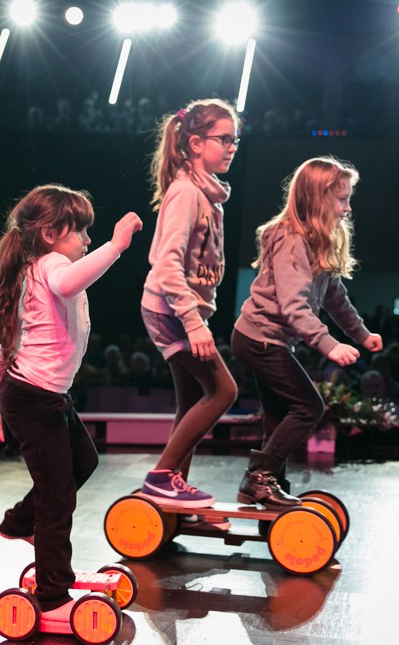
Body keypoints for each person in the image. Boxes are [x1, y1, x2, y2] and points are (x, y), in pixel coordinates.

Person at [0, 184, 142, 623]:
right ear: (49, 233)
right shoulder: (51, 266)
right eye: (79, 231)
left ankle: (19, 523)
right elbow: (70, 281)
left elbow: (9, 348)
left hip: (40, 395)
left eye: (89, 234)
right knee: (57, 495)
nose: (85, 240)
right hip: (33, 398)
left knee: (83, 462)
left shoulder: (35, 269)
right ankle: (51, 594)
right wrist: (116, 245)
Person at [232, 156, 382, 507]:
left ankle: (269, 484)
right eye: (341, 199)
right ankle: (259, 477)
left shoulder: (318, 240)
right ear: (316, 199)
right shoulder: (291, 240)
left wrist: (359, 334)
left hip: (272, 340)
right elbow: (293, 305)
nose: (347, 208)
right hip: (258, 338)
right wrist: (329, 345)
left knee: (279, 416)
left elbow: (334, 296)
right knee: (308, 407)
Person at [136, 98, 241, 514]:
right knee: (223, 391)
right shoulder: (185, 193)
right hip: (171, 310)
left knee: (191, 401)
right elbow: (166, 265)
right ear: (195, 143)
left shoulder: (207, 194)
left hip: (180, 310)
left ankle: (172, 492)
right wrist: (194, 324)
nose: (232, 147)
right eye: (224, 139)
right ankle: (162, 477)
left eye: (236, 140)